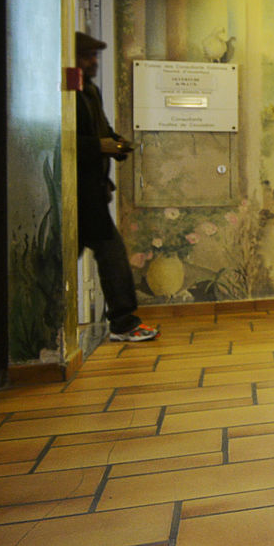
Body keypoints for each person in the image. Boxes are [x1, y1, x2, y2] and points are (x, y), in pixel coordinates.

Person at [74, 31, 160, 343]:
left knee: (72, 258)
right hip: (77, 192)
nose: (93, 62)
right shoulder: (67, 93)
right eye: (87, 56)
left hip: (92, 191)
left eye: (94, 56)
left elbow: (104, 131)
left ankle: (122, 321)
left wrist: (117, 144)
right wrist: (100, 146)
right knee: (110, 255)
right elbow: (61, 139)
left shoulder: (90, 92)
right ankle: (123, 322)